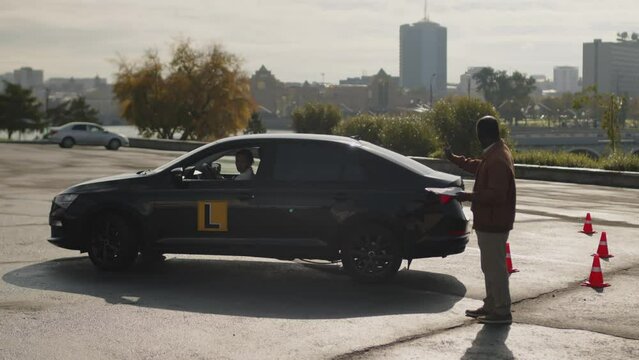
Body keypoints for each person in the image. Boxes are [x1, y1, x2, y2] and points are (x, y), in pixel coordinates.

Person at [445, 115, 516, 325]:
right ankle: (492, 304)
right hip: (490, 221)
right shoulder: (494, 154)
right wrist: (454, 158)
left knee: (495, 268)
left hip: (494, 223)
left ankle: (502, 311)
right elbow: (479, 167)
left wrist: (466, 197)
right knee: (490, 267)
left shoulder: (497, 159)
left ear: (482, 135)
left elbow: (496, 195)